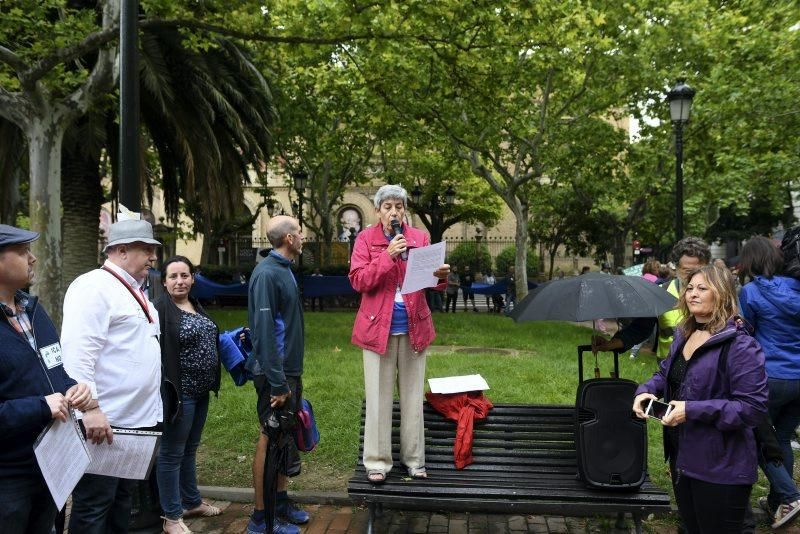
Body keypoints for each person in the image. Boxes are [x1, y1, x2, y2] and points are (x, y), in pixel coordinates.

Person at [633, 264, 768, 533]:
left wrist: (691, 411)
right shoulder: (684, 333)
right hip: (683, 457)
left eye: (702, 288)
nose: (692, 294)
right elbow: (666, 374)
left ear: (722, 294)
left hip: (721, 466)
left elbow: (752, 408)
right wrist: (645, 390)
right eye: (690, 288)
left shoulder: (740, 345)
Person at [62, 218, 163, 534]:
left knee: (121, 505)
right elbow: (77, 357)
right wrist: (90, 410)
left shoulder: (135, 289)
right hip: (104, 426)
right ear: (121, 250)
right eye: (146, 249)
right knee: (94, 508)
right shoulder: (93, 287)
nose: (153, 257)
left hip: (133, 425)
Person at [348, 184, 449, 484]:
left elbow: (430, 282)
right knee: (378, 397)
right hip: (376, 329)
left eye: (399, 206)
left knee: (413, 397)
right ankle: (377, 461)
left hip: (414, 327)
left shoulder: (419, 238)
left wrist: (441, 278)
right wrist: (387, 256)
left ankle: (414, 460)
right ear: (378, 211)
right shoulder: (365, 239)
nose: (394, 211)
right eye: (388, 206)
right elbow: (358, 280)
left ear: (405, 210)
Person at [0, 225, 92, 533]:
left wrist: (73, 388)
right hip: (9, 476)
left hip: (52, 465)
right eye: (23, 251)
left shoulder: (34, 311)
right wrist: (41, 406)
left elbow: (53, 371)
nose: (33, 258)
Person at [245, 215, 309, 534]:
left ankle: (280, 503)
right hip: (276, 375)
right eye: (300, 232)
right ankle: (261, 519)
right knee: (270, 439)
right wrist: (278, 382)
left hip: (288, 372)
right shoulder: (267, 274)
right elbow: (264, 333)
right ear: (288, 239)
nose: (303, 237)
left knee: (282, 439)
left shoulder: (284, 270)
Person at [154, 256, 223, 534]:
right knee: (171, 454)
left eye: (185, 275)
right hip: (179, 396)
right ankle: (171, 517)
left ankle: (191, 501)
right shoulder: (160, 308)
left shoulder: (194, 304)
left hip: (201, 391)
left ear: (193, 278)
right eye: (174, 276)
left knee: (190, 450)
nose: (180, 281)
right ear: (164, 282)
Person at [738, 236, 800, 527]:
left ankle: (789, 495)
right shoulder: (797, 287)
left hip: (771, 376)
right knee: (783, 437)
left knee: (759, 437)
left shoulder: (750, 292)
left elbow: (747, 333)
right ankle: (779, 504)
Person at [593, 237, 711, 358]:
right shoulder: (660, 292)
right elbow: (640, 328)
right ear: (676, 268)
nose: (693, 276)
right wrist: (611, 344)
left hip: (708, 369)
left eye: (699, 271)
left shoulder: (720, 295)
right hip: (668, 368)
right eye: (687, 271)